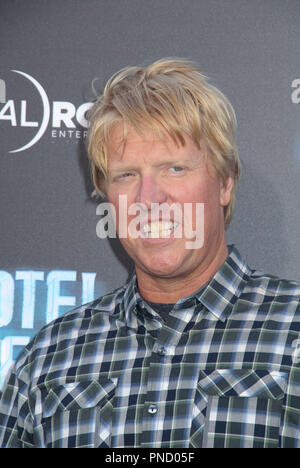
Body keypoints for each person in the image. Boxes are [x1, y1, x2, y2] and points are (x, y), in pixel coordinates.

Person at [0, 58, 299, 448]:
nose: (149, 199)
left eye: (174, 168)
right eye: (126, 175)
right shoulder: (49, 357)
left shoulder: (293, 331)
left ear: (225, 183)